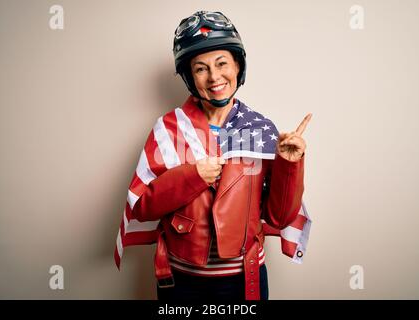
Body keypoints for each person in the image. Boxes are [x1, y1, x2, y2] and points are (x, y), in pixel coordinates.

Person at [114, 10, 312, 301]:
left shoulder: (260, 129)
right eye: (200, 68)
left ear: (238, 66)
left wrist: (289, 164)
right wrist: (192, 176)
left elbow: (280, 217)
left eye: (222, 64)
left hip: (246, 279)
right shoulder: (168, 129)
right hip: (181, 280)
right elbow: (142, 207)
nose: (214, 76)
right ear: (189, 77)